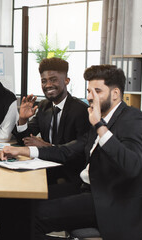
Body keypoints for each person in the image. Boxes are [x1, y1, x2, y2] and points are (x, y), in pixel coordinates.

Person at [0, 65, 142, 240]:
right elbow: (67, 150)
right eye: (89, 91)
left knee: (28, 219)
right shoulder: (100, 118)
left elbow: (132, 165)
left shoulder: (134, 119)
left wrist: (99, 126)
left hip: (112, 201)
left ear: (115, 94)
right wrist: (23, 150)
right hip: (86, 188)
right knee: (15, 203)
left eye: (97, 91)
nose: (89, 97)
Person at [13, 57, 90, 185]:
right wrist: (23, 119)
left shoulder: (81, 110)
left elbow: (80, 153)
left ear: (66, 80)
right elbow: (24, 140)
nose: (48, 85)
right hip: (44, 168)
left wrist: (47, 147)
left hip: (68, 175)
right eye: (44, 81)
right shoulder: (44, 106)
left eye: (53, 80)